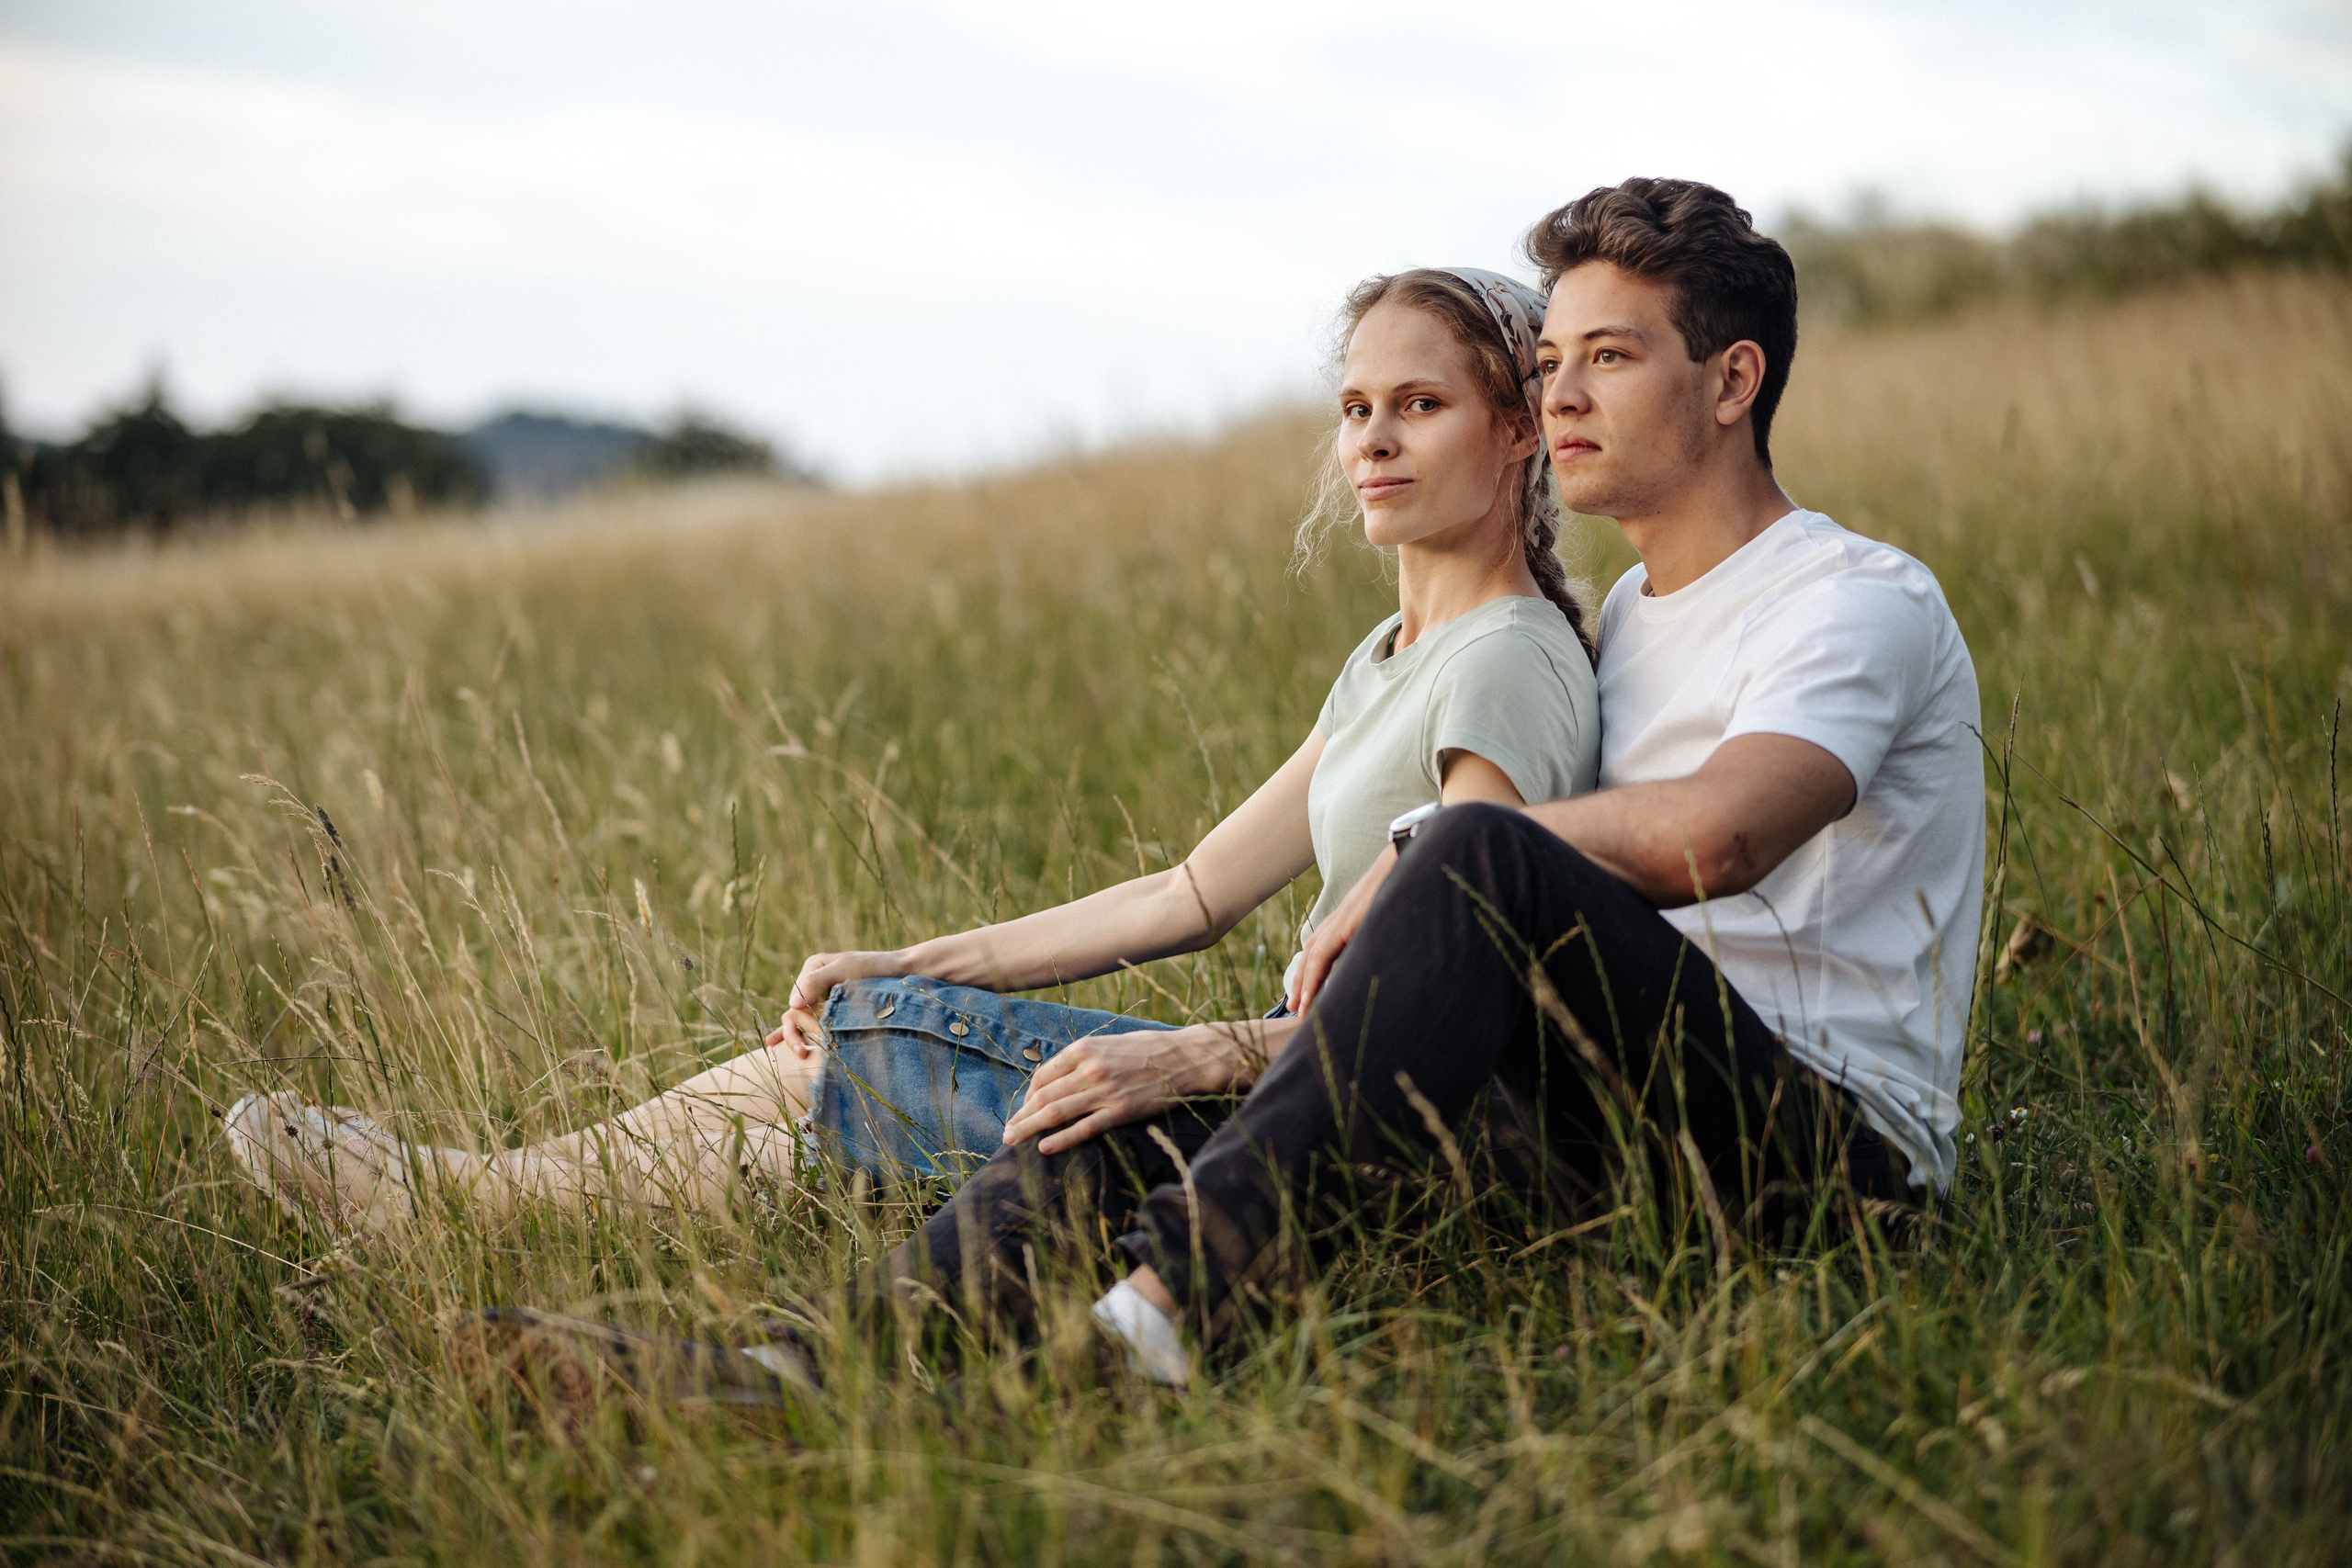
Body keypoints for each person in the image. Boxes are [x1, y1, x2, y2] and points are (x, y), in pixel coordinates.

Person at [734, 176, 1984, 1393]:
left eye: (1608, 357)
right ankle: (798, 1374)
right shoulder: (1630, 625)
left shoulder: (1852, 599)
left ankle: (1155, 1321)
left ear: (1732, 379)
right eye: (1549, 362)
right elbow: (1215, 890)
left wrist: (1426, 850)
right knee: (1117, 1115)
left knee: (1467, 859)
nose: (1562, 396)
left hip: (1825, 1163)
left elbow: (1720, 838)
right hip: (1606, 1125)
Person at [221, 265, 1605, 1238]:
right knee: (838, 1049)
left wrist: (1183, 1056)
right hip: (1287, 1078)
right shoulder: (1391, 660)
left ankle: (455, 1199)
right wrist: (915, 958)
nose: (1371, 438)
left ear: (1518, 432)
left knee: (854, 1058)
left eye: (1417, 405)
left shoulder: (1511, 660)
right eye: (1356, 407)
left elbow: (1453, 983)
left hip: (1356, 1129)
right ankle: (466, 1200)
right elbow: (1185, 895)